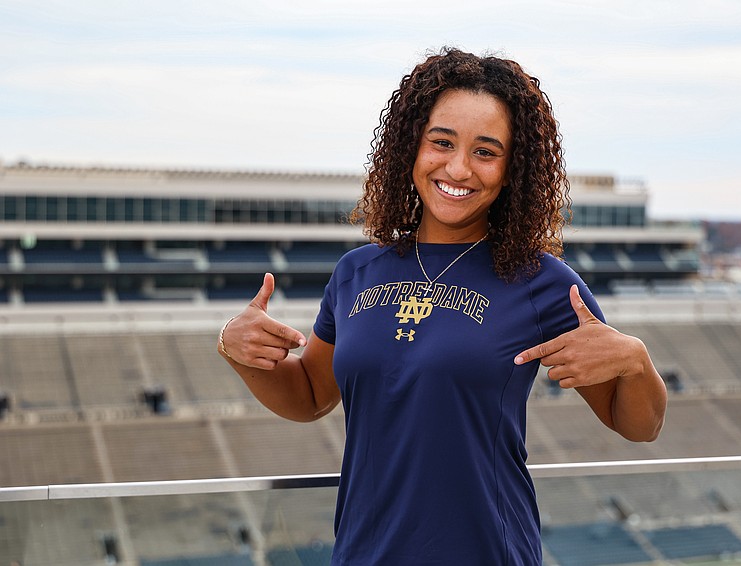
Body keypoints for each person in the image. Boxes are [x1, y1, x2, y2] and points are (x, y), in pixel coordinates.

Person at [218, 47, 667, 565]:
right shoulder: (357, 272)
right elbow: (311, 396)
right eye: (442, 142)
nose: (458, 167)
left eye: (485, 151)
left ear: (511, 168)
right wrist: (238, 348)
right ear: (412, 146)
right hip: (365, 554)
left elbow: (638, 425)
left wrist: (635, 359)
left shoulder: (541, 282)